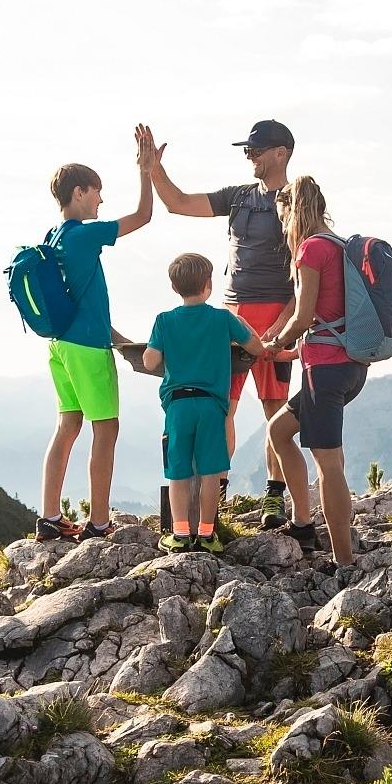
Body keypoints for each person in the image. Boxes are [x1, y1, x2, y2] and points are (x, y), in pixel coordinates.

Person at [134, 118, 297, 532]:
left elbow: (306, 272)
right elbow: (178, 203)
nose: (250, 156)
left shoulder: (298, 200)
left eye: (256, 150)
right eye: (247, 150)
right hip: (234, 313)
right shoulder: (239, 196)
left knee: (275, 410)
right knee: (223, 404)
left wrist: (285, 325)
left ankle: (274, 494)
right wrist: (154, 170)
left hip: (277, 310)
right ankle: (216, 493)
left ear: (281, 153)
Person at [35, 143, 155, 542]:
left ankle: (49, 517)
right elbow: (143, 216)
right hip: (87, 348)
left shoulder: (53, 237)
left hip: (60, 345)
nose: (101, 200)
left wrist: (119, 340)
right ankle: (99, 523)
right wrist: (146, 171)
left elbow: (81, 300)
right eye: (97, 191)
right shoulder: (86, 234)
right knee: (106, 429)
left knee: (68, 425)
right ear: (79, 192)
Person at [139, 252, 272, 554]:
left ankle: (180, 534)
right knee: (211, 471)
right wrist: (241, 324)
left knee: (178, 471)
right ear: (208, 285)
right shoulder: (223, 319)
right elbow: (256, 347)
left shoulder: (164, 321)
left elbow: (150, 361)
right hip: (212, 406)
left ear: (174, 288)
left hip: (178, 405)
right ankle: (207, 534)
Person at [265, 176, 364, 571]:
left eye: (282, 218)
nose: (282, 227)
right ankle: (303, 523)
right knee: (278, 430)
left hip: (324, 371)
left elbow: (304, 316)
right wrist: (294, 347)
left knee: (329, 465)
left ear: (294, 211)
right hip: (349, 365)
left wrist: (275, 345)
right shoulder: (341, 246)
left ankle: (344, 562)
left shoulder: (310, 249)